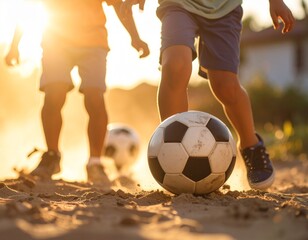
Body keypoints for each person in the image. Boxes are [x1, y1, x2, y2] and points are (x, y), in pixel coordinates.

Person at [151, 0, 294, 190]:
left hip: (224, 7)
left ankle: (251, 146)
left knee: (225, 86)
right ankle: (170, 151)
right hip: (179, 4)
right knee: (175, 65)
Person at [5, 0, 149, 184]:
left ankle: (95, 163)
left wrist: (135, 37)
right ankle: (52, 156)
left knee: (94, 97)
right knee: (53, 96)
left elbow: (117, 5)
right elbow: (28, 7)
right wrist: (15, 44)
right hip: (55, 40)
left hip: (93, 43)